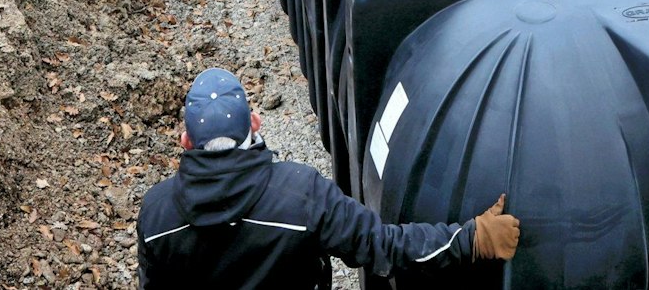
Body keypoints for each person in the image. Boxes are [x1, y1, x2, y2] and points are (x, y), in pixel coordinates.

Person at [137, 69, 520, 289]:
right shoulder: (301, 194)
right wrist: (473, 238)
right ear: (254, 123)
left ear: (186, 141)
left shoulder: (156, 215)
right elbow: (385, 246)